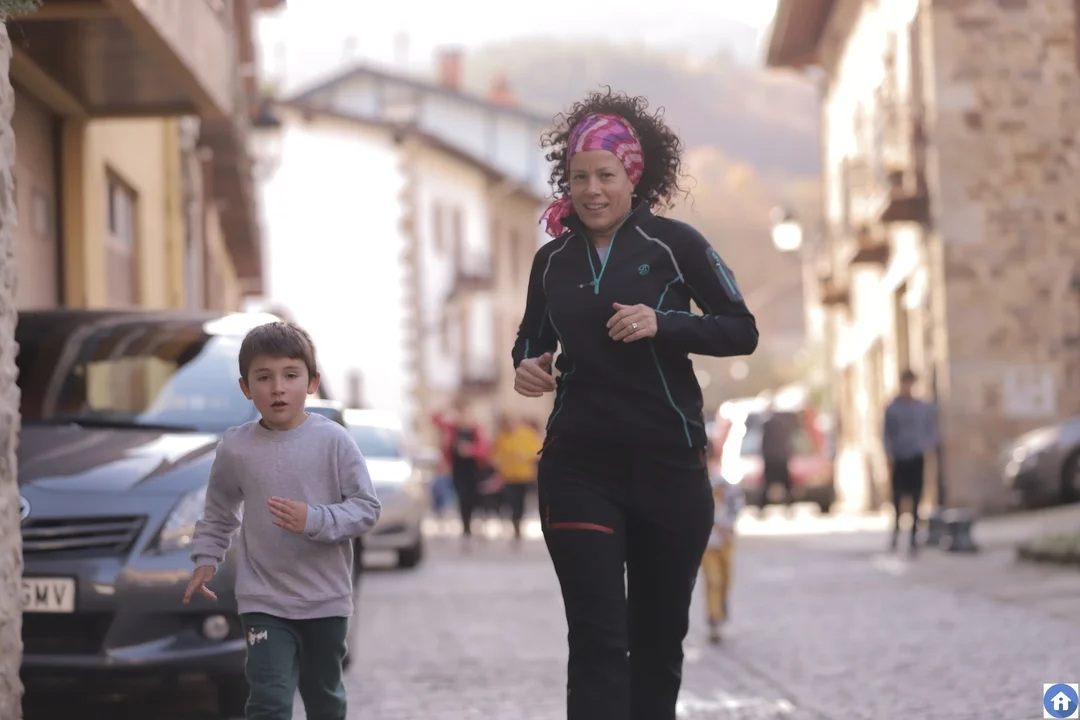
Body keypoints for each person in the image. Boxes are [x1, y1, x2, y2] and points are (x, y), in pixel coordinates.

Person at [512, 89, 759, 720]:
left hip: (667, 464)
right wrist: (529, 365)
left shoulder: (675, 244)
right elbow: (532, 337)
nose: (591, 190)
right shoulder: (551, 261)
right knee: (596, 637)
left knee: (657, 642)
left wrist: (663, 322)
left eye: (606, 175)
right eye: (579, 177)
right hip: (579, 466)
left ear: (633, 176)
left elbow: (740, 330)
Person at [183, 321, 382, 720]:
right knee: (269, 700)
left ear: (312, 382)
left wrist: (314, 518)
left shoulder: (334, 441)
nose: (278, 388)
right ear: (246, 387)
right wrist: (206, 558)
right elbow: (220, 509)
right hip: (263, 598)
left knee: (324, 699)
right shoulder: (236, 447)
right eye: (264, 377)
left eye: (291, 375)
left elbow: (366, 509)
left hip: (325, 599)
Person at [883, 368, 938, 555]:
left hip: (916, 456)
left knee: (916, 497)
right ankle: (896, 534)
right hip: (900, 457)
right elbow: (887, 434)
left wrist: (926, 447)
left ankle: (914, 537)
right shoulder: (892, 408)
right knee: (898, 498)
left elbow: (929, 431)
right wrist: (889, 453)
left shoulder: (922, 408)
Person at [700, 438, 744, 645]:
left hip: (725, 541)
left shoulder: (721, 482)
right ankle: (714, 618)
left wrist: (731, 523)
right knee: (713, 580)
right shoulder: (696, 483)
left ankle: (721, 606)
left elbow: (737, 501)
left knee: (726, 579)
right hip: (707, 542)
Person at [432, 397, 490, 540]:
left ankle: (477, 523)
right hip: (458, 469)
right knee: (462, 497)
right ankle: (466, 528)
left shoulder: (476, 430)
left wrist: (470, 450)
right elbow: (435, 419)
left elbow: (485, 449)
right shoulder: (452, 428)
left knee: (474, 497)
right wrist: (447, 406)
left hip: (474, 469)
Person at [491, 414, 544, 542]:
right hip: (507, 476)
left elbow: (538, 452)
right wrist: (497, 462)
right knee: (511, 501)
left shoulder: (527, 435)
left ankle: (518, 525)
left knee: (520, 501)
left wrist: (525, 456)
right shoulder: (502, 437)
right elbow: (495, 453)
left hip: (524, 475)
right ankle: (514, 523)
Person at [759, 406, 796, 513]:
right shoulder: (783, 424)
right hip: (781, 458)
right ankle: (790, 505)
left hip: (771, 458)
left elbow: (764, 442)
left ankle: (762, 507)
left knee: (768, 484)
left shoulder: (767, 424)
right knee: (785, 483)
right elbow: (787, 442)